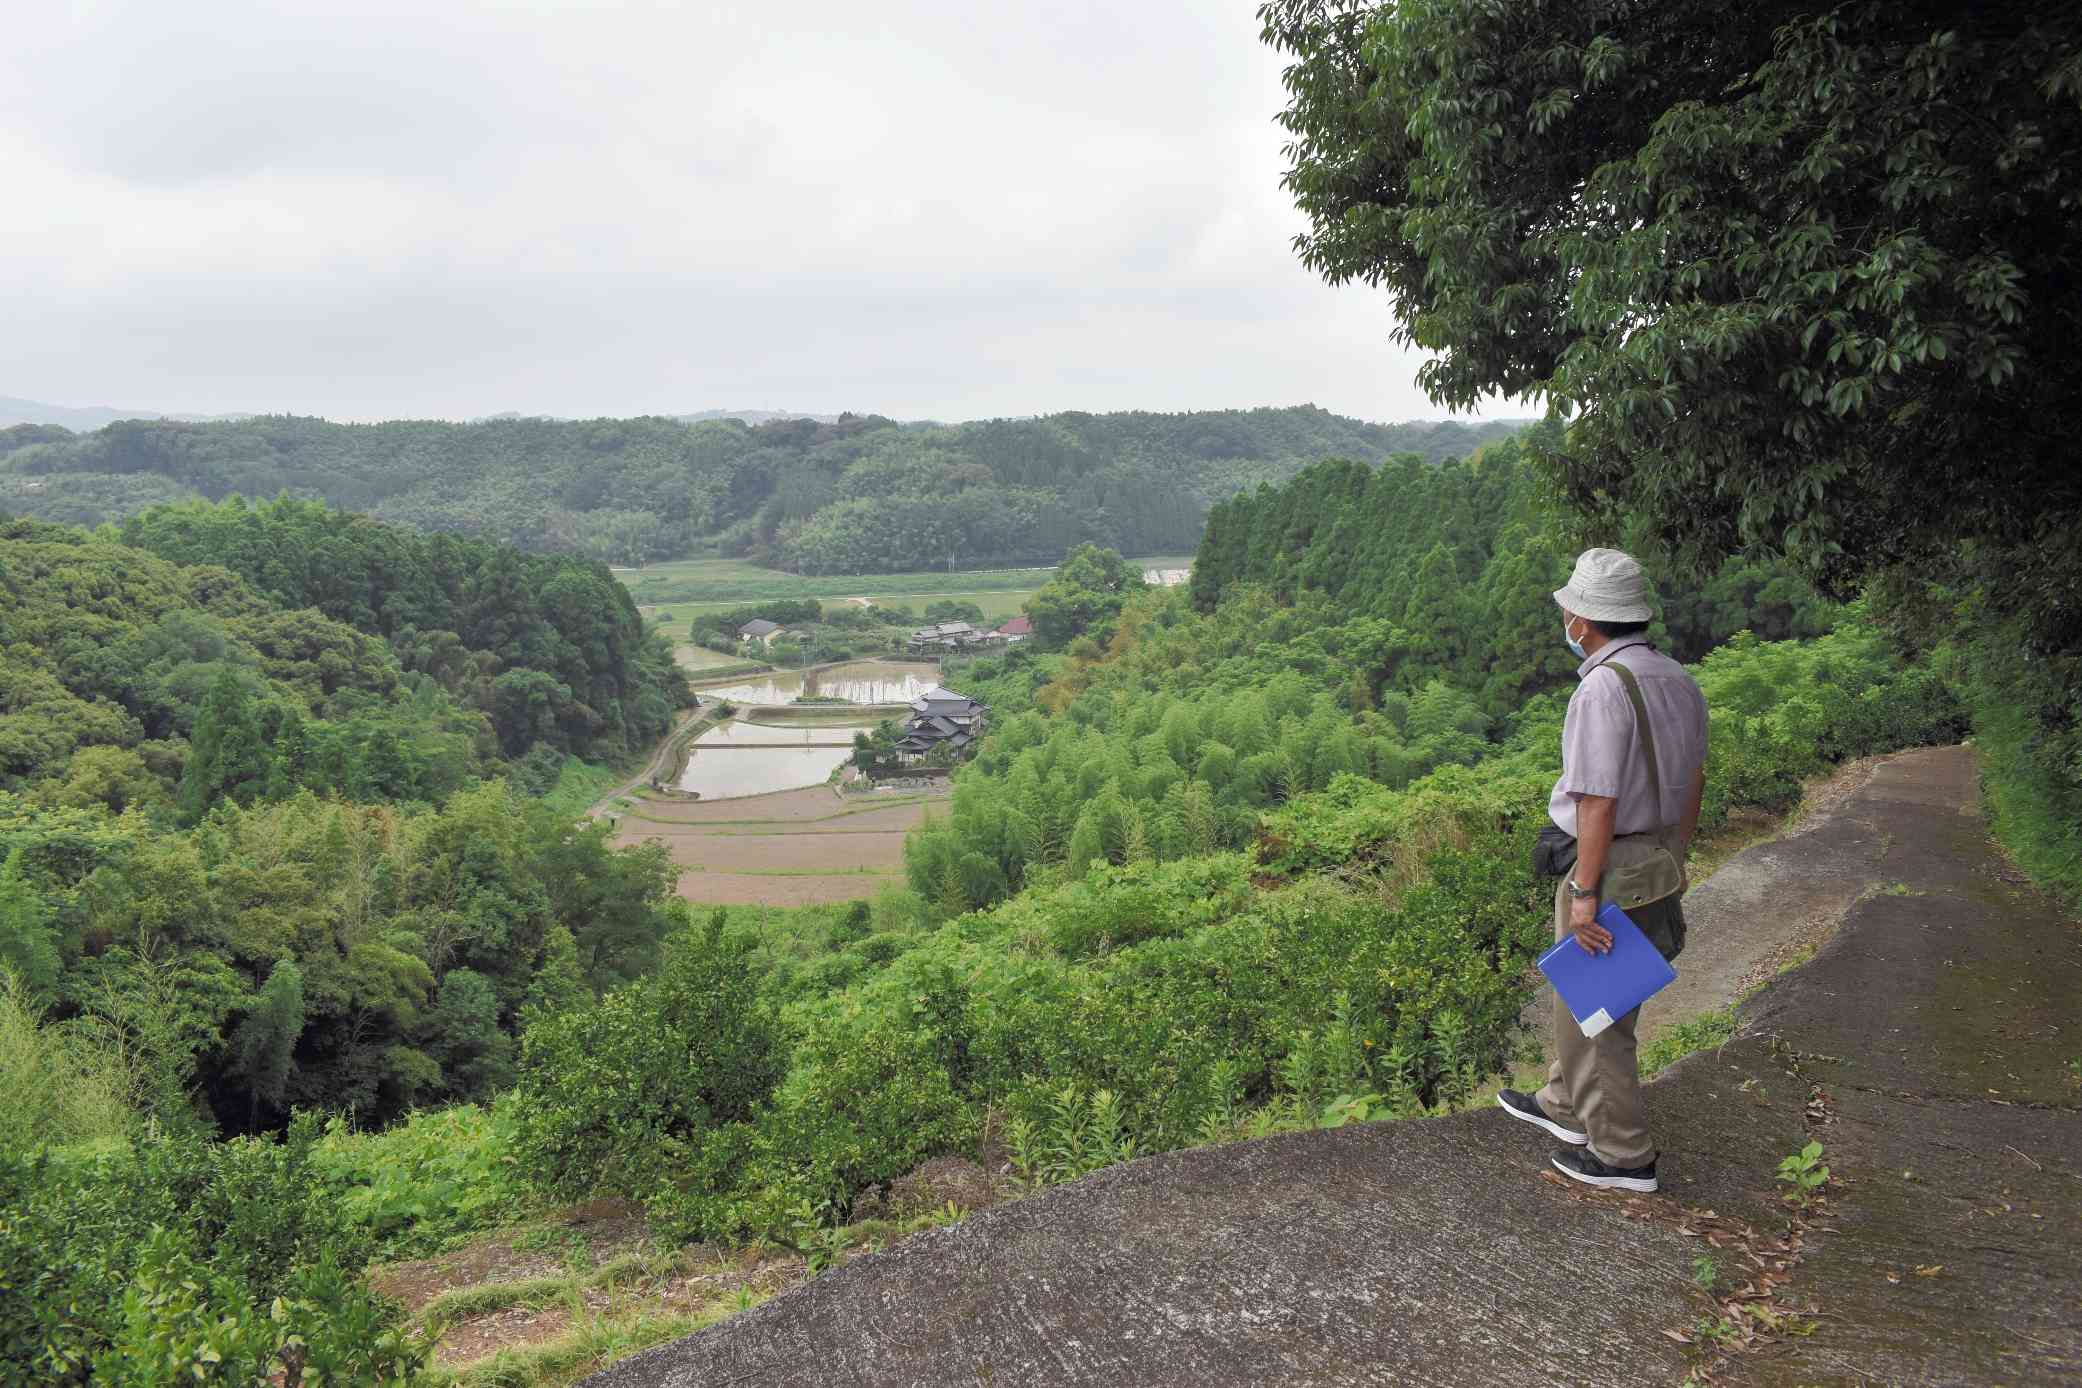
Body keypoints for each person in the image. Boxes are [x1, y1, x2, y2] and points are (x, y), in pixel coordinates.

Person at [1497, 548, 1708, 1193]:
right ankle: (1564, 1102)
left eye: (1569, 608)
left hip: (1610, 863)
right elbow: (1694, 779)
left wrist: (1584, 891)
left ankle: (1622, 1154)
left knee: (1596, 1013)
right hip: (1657, 858)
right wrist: (1680, 857)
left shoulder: (1602, 688)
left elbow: (1596, 799)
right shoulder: (1676, 677)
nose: (1565, 616)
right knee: (1602, 998)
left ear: (1584, 621)